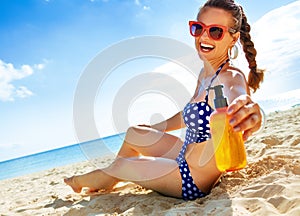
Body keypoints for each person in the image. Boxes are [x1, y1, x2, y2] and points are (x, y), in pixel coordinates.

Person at [65, 0, 265, 201]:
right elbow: (189, 114)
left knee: (125, 165)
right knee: (135, 133)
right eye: (198, 28)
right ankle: (113, 174)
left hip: (191, 179)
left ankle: (93, 178)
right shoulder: (205, 75)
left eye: (215, 31)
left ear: (233, 38)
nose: (204, 36)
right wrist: (157, 127)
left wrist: (253, 114)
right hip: (183, 155)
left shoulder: (229, 76)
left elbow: (239, 98)